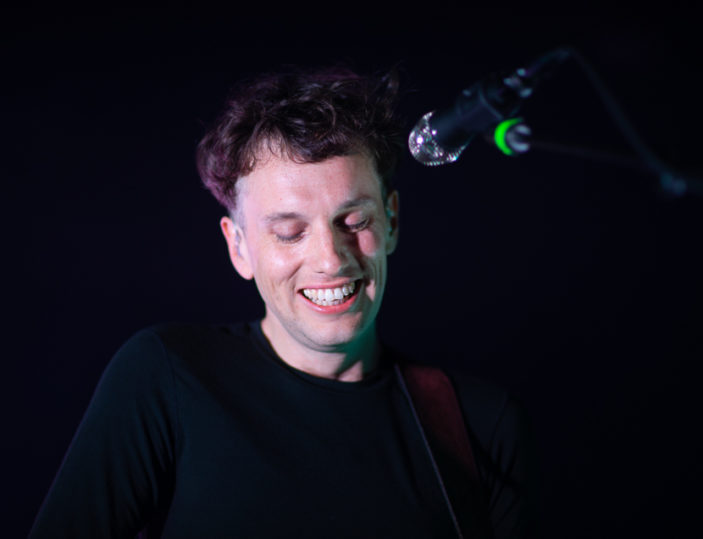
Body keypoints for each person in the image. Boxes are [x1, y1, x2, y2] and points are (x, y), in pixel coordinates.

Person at [30, 67, 536, 538]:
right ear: (239, 247)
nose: (330, 260)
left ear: (392, 222)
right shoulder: (165, 378)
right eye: (290, 232)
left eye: (354, 222)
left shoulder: (479, 424)